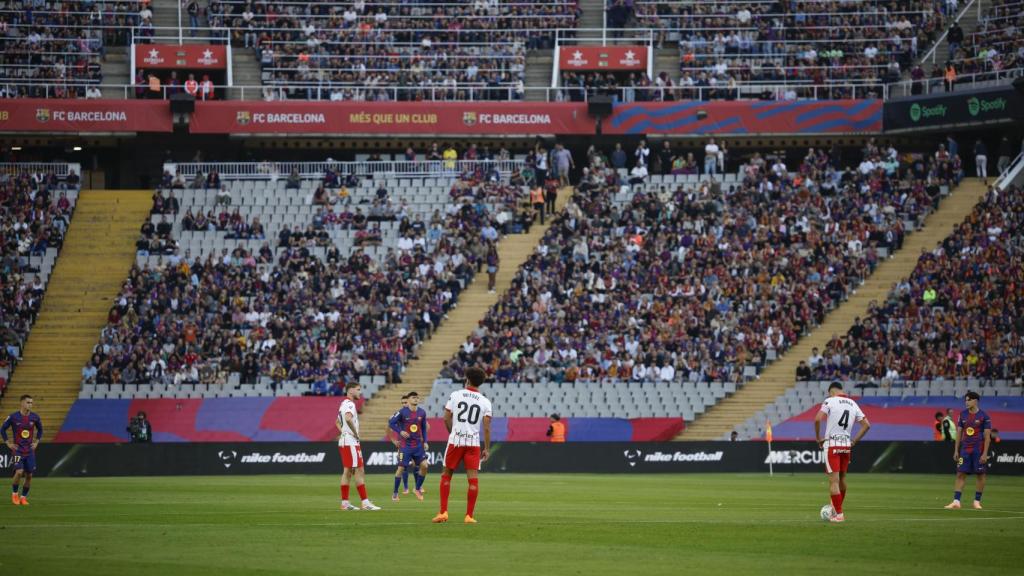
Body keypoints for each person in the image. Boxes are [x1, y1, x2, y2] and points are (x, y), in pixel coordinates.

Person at [433, 366, 492, 524]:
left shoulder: (456, 395)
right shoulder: (485, 402)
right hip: (473, 444)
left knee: (446, 475)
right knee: (473, 480)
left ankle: (443, 512)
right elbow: (486, 428)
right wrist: (487, 448)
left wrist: (452, 433)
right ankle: (469, 516)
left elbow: (446, 418)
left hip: (456, 441)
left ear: (467, 379)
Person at [814, 382, 871, 523]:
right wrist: (854, 441)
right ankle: (836, 509)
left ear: (831, 392)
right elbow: (866, 425)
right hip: (846, 446)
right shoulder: (853, 404)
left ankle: (839, 514)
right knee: (842, 479)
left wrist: (818, 438)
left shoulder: (830, 401)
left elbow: (817, 419)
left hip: (832, 445)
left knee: (833, 481)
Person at [944, 391, 992, 510]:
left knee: (980, 474)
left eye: (969, 400)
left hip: (978, 449)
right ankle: (956, 501)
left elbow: (987, 437)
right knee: (960, 473)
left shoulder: (984, 416)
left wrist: (985, 453)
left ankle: (976, 502)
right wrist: (956, 450)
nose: (966, 402)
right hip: (965, 449)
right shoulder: (962, 415)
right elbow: (959, 433)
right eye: (965, 400)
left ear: (975, 401)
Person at [337, 383, 380, 511]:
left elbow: (337, 422)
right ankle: (365, 503)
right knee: (359, 470)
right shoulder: (350, 404)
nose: (360, 392)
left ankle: (345, 503)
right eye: (358, 390)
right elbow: (348, 418)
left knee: (348, 471)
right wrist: (354, 433)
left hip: (345, 440)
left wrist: (344, 432)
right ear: (350, 390)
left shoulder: (343, 404)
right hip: (350, 441)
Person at [1, 395, 43, 506]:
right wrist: (8, 443)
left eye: (31, 403)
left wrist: (36, 442)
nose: (30, 405)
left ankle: (23, 497)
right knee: (19, 472)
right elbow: (2, 429)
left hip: (30, 451)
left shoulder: (35, 417)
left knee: (29, 475)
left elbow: (40, 430)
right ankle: (15, 494)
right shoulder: (13, 417)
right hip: (17, 451)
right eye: (28, 402)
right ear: (22, 403)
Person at [389, 391, 429, 501]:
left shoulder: (422, 412)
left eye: (417, 397)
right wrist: (400, 431)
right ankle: (395, 493)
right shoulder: (402, 412)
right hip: (405, 446)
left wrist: (425, 441)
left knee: (425, 466)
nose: (416, 399)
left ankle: (417, 489)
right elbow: (391, 423)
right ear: (409, 400)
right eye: (413, 397)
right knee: (401, 468)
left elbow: (424, 428)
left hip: (418, 446)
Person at [388, 395, 412, 497]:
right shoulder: (398, 414)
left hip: (415, 444)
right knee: (402, 466)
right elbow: (388, 427)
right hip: (403, 445)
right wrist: (393, 440)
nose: (404, 405)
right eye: (402, 403)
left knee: (418, 465)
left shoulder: (416, 414)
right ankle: (405, 488)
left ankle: (418, 487)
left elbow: (426, 426)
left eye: (406, 402)